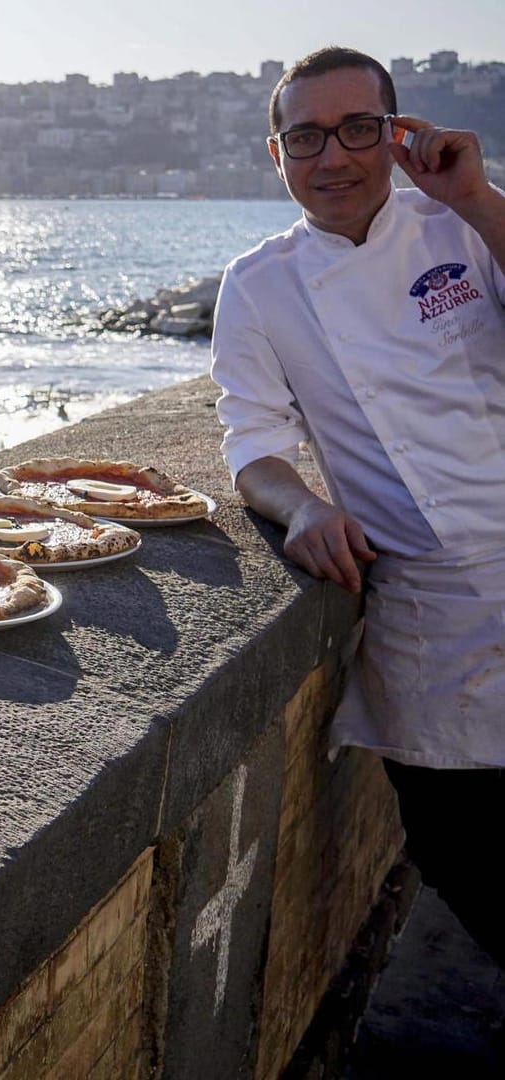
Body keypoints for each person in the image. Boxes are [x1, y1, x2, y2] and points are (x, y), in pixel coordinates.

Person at [209, 46, 505, 966]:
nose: (332, 157)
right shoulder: (258, 286)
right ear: (277, 153)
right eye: (307, 137)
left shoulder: (463, 222)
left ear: (399, 131)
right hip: (432, 618)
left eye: (358, 129)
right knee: (463, 852)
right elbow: (251, 441)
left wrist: (476, 199)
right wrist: (297, 508)